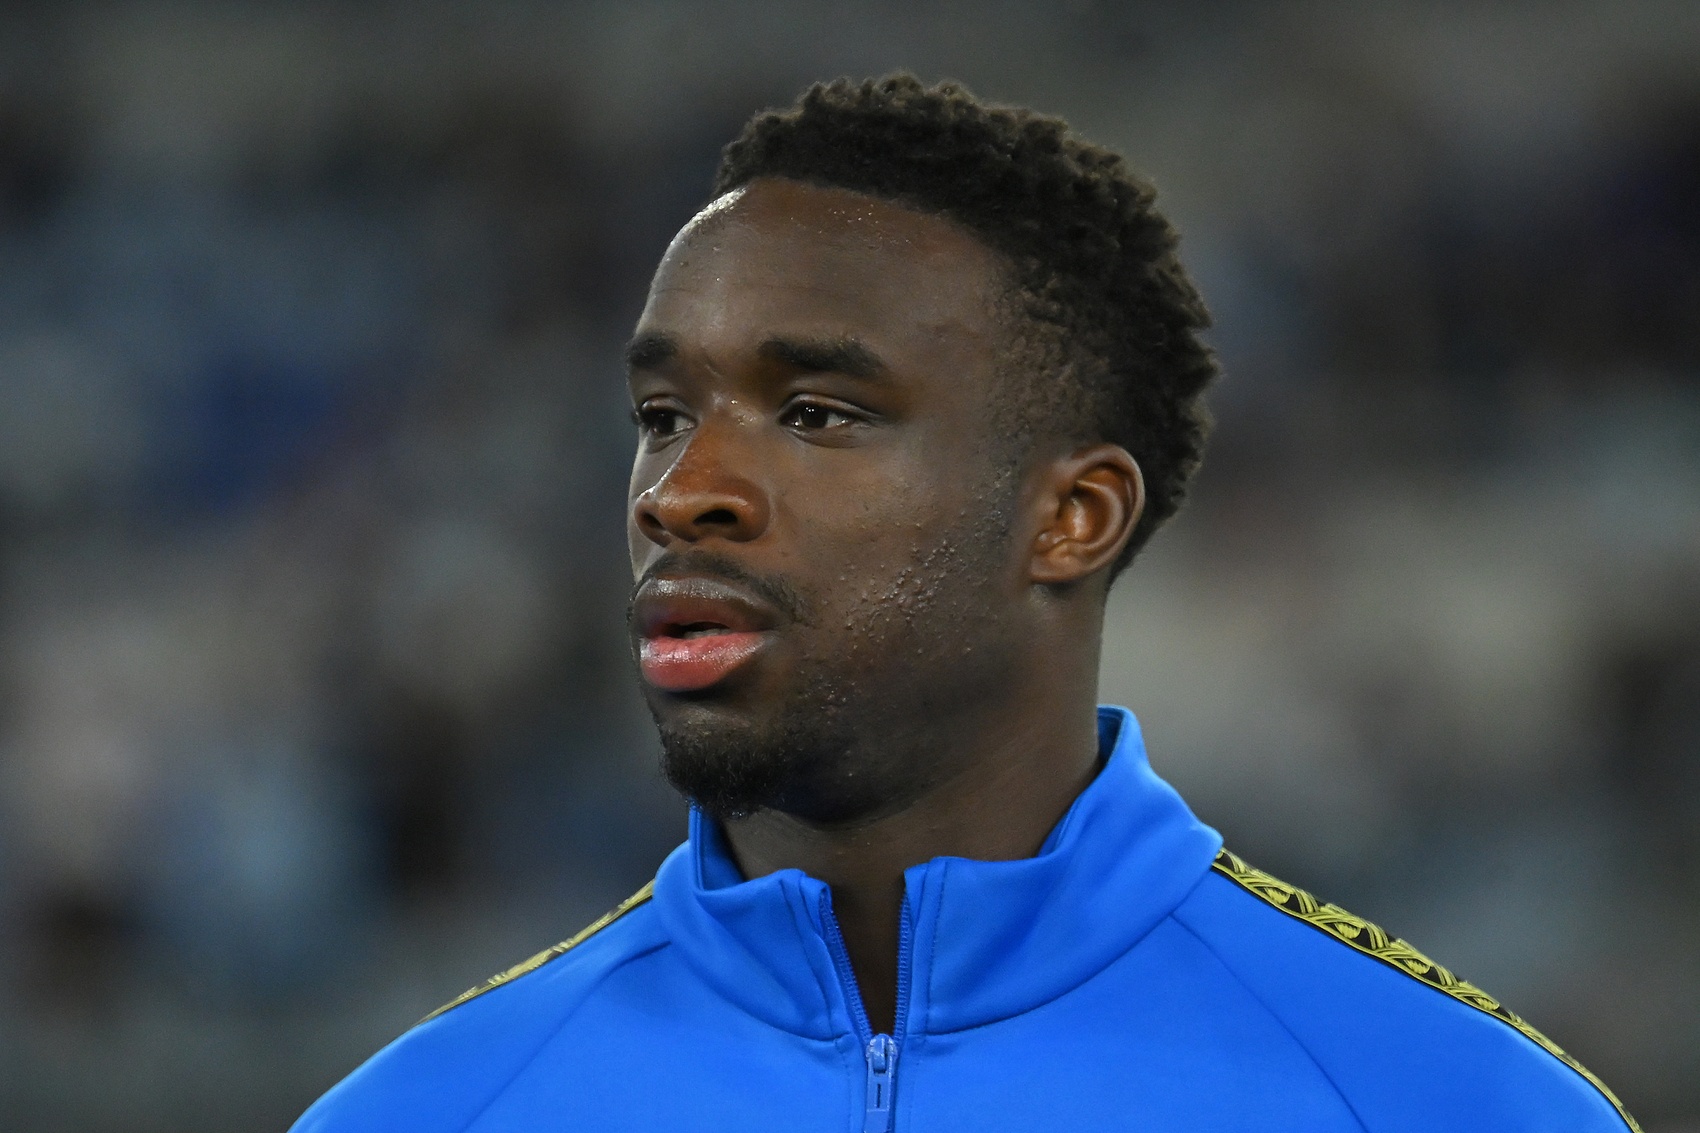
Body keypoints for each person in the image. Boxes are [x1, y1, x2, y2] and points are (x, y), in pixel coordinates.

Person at [292, 75, 1638, 1132]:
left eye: (817, 412)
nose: (681, 492)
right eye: (661, 415)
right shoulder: (424, 1113)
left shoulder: (1450, 1104)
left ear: (1072, 517)